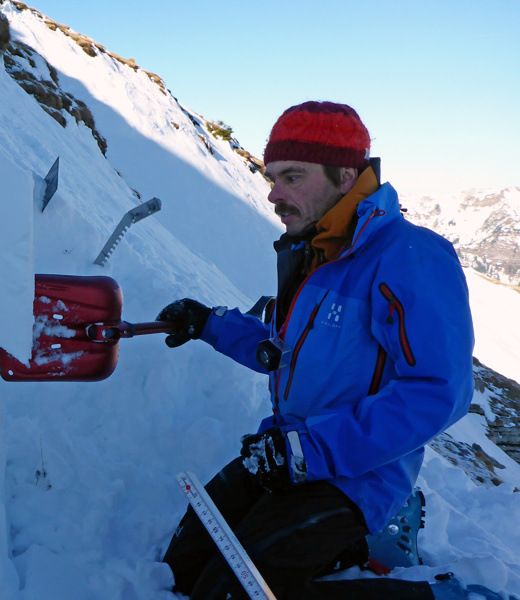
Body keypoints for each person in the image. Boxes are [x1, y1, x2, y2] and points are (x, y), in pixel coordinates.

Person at [156, 101, 491, 600]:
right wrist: (210, 324)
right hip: (288, 453)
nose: (274, 194)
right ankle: (347, 553)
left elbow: (439, 392)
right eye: (271, 178)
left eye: (292, 176)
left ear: (345, 174)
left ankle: (443, 597)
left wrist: (308, 451)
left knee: (235, 593)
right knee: (182, 569)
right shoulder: (315, 251)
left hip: (356, 474)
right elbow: (285, 352)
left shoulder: (408, 257)